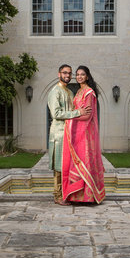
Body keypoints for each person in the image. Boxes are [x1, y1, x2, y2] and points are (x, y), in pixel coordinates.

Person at [62, 65, 106, 204]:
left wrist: (68, 119)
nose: (79, 76)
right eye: (78, 74)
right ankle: (76, 196)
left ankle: (88, 197)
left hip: (85, 135)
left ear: (87, 76)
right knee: (76, 164)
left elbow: (87, 116)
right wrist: (75, 115)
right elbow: (79, 112)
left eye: (82, 74)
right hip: (78, 133)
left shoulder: (89, 93)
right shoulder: (79, 92)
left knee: (83, 162)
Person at [47, 64, 89, 205]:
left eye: (70, 73)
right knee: (59, 166)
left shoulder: (70, 92)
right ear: (59, 74)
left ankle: (68, 193)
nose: (68, 75)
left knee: (68, 166)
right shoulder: (55, 91)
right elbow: (56, 114)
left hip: (69, 133)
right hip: (58, 134)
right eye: (65, 73)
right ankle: (57, 195)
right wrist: (78, 112)